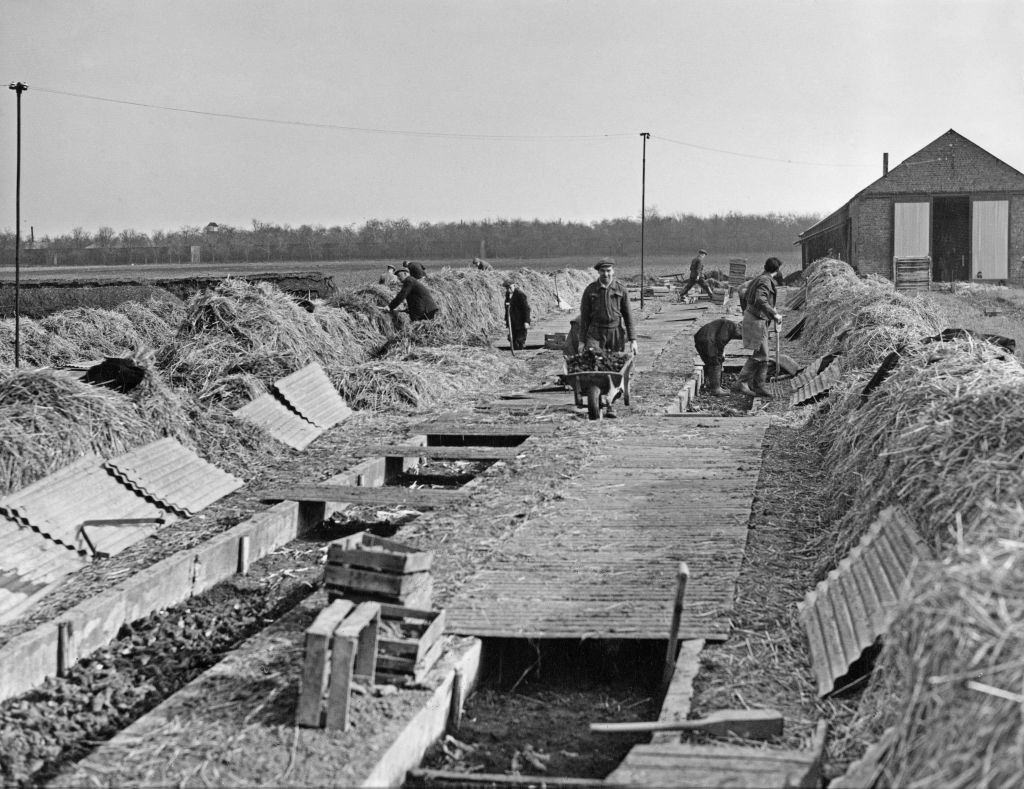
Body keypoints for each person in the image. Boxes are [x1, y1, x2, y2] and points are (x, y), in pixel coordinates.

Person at [579, 258, 638, 417]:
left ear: (613, 271)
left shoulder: (620, 290)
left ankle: (610, 403)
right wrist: (581, 340)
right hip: (595, 333)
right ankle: (596, 397)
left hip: (615, 333)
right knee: (594, 363)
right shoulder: (590, 290)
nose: (606, 274)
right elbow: (584, 318)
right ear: (598, 272)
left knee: (615, 368)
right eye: (603, 271)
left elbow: (628, 316)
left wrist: (633, 340)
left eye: (608, 271)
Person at [737, 257, 784, 397]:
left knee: (763, 355)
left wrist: (747, 310)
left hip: (755, 318)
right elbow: (760, 299)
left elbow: (742, 291)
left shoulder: (759, 278)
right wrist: (774, 313)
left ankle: (758, 385)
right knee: (762, 354)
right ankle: (743, 382)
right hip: (756, 320)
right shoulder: (765, 280)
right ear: (776, 270)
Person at [694, 318, 742, 397]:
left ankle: (711, 384)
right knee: (715, 362)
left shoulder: (729, 326)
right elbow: (720, 342)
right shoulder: (731, 327)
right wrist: (720, 355)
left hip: (701, 338)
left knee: (710, 362)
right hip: (707, 340)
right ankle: (716, 389)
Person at [504, 281, 531, 350]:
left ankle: (520, 350)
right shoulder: (507, 294)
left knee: (520, 339)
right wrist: (506, 319)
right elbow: (507, 308)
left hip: (521, 320)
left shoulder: (520, 294)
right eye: (507, 288)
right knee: (512, 338)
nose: (508, 290)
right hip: (512, 320)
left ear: (514, 286)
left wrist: (527, 321)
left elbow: (526, 308)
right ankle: (515, 351)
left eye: (510, 287)